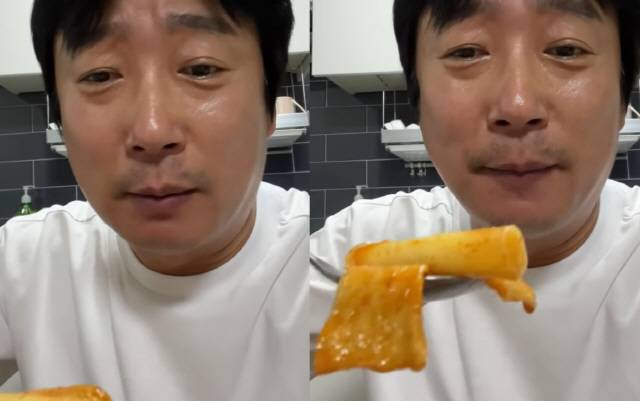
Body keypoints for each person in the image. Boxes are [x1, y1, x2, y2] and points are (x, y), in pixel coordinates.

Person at [311, 0, 640, 399]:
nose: (517, 105)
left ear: (623, 98)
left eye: (566, 50)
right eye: (467, 52)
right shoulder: (358, 248)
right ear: (418, 99)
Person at [0, 1, 309, 400]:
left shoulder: (324, 263)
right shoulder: (26, 264)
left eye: (201, 69)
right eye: (101, 76)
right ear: (59, 117)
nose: (152, 130)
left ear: (269, 105)